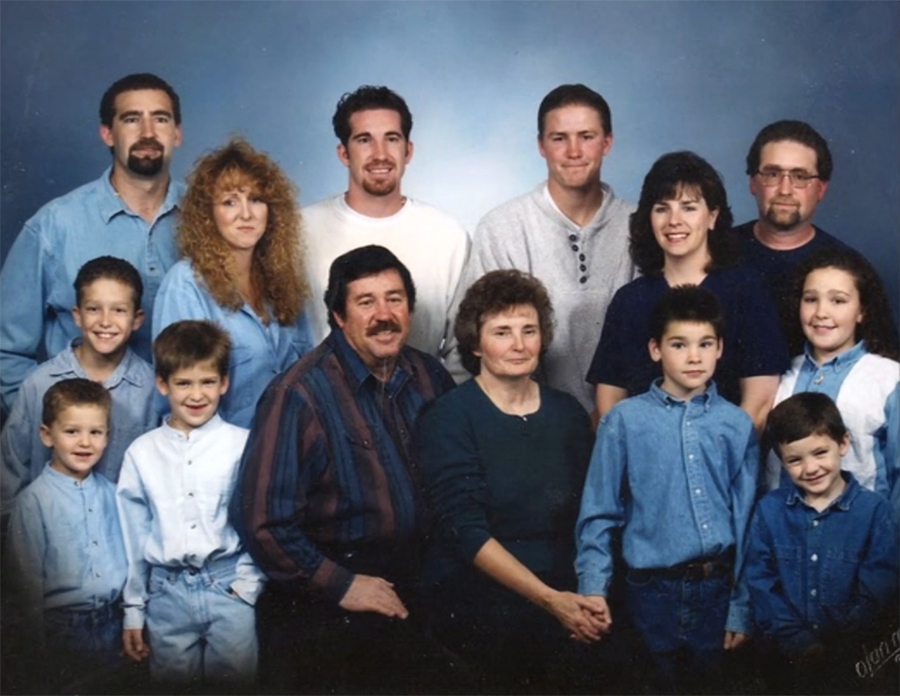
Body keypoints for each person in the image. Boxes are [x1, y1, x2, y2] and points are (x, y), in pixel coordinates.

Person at [231, 245, 458, 695]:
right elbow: (261, 521)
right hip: (332, 593)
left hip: (421, 581)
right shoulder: (297, 395)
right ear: (338, 315)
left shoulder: (429, 375)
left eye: (394, 298)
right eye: (365, 301)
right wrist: (341, 584)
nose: (384, 314)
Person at [417, 269, 610, 693]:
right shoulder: (449, 417)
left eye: (529, 330)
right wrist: (551, 601)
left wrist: (585, 600)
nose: (519, 345)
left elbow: (590, 519)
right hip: (480, 601)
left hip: (565, 595)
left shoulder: (568, 414)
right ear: (475, 343)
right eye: (502, 332)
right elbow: (466, 533)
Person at [576, 285, 758, 694]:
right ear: (656, 349)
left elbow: (746, 521)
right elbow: (599, 512)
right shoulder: (624, 421)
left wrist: (740, 606)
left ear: (720, 348)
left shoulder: (736, 425)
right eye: (680, 344)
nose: (694, 356)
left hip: (717, 592)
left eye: (705, 344)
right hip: (647, 594)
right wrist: (592, 588)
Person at [0, 73, 184, 414]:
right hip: (86, 449)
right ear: (107, 134)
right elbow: (6, 353)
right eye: (131, 119)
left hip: (183, 441)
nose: (147, 132)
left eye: (160, 118)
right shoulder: (55, 225)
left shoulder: (209, 221)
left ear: (177, 134)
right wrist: (51, 425)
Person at [447, 84, 636, 411]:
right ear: (541, 146)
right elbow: (467, 346)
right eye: (559, 138)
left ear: (607, 143)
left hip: (628, 425)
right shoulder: (503, 227)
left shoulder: (641, 226)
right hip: (534, 426)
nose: (573, 151)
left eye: (586, 136)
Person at [587, 151, 789, 432]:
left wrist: (715, 462)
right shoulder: (630, 300)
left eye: (689, 207)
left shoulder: (746, 290)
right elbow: (609, 404)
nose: (674, 220)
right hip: (645, 464)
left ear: (712, 216)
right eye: (662, 208)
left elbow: (759, 403)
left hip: (723, 462)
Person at [116, 320, 264, 690]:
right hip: (167, 595)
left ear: (224, 383)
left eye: (207, 382)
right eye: (183, 383)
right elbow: (133, 536)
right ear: (163, 384)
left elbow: (260, 522)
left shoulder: (243, 445)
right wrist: (134, 611)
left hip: (229, 589)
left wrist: (248, 584)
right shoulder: (142, 453)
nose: (196, 395)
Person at [153, 137, 312, 428]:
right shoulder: (186, 284)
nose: (246, 214)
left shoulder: (284, 283)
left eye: (256, 199)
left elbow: (310, 380)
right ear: (208, 215)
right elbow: (175, 404)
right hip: (221, 465)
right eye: (229, 202)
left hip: (289, 456)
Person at [301, 85, 469, 359]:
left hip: (424, 399)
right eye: (364, 140)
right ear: (344, 153)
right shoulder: (302, 231)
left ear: (408, 151)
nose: (380, 154)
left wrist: (443, 403)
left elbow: (460, 351)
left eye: (391, 138)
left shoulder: (448, 236)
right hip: (322, 399)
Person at [747, 393, 899, 695]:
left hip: (853, 657)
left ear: (843, 444)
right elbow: (762, 582)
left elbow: (879, 587)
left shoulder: (874, 511)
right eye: (795, 460)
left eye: (820, 453)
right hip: (787, 657)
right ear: (781, 459)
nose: (810, 468)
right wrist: (800, 643)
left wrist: (839, 646)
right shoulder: (769, 510)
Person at [1, 256, 157, 521]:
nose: (105, 321)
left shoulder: (151, 389)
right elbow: (9, 478)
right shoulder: (40, 383)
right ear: (77, 315)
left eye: (119, 310)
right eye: (94, 309)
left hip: (120, 544)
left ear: (137, 319)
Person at [5, 378, 128, 694]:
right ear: (47, 435)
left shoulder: (116, 495)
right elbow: (25, 586)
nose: (84, 442)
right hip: (63, 632)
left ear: (107, 436)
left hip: (115, 624)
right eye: (72, 431)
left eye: (95, 432)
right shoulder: (33, 502)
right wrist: (37, 649)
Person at [763, 248, 899, 518]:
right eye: (811, 299)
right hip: (784, 536)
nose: (821, 312)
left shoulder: (889, 378)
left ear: (862, 311)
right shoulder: (778, 373)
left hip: (862, 538)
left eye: (838, 301)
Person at [733, 120, 860, 353]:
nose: (785, 189)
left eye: (800, 176)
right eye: (772, 174)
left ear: (820, 189)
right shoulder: (714, 250)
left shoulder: (848, 267)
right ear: (753, 183)